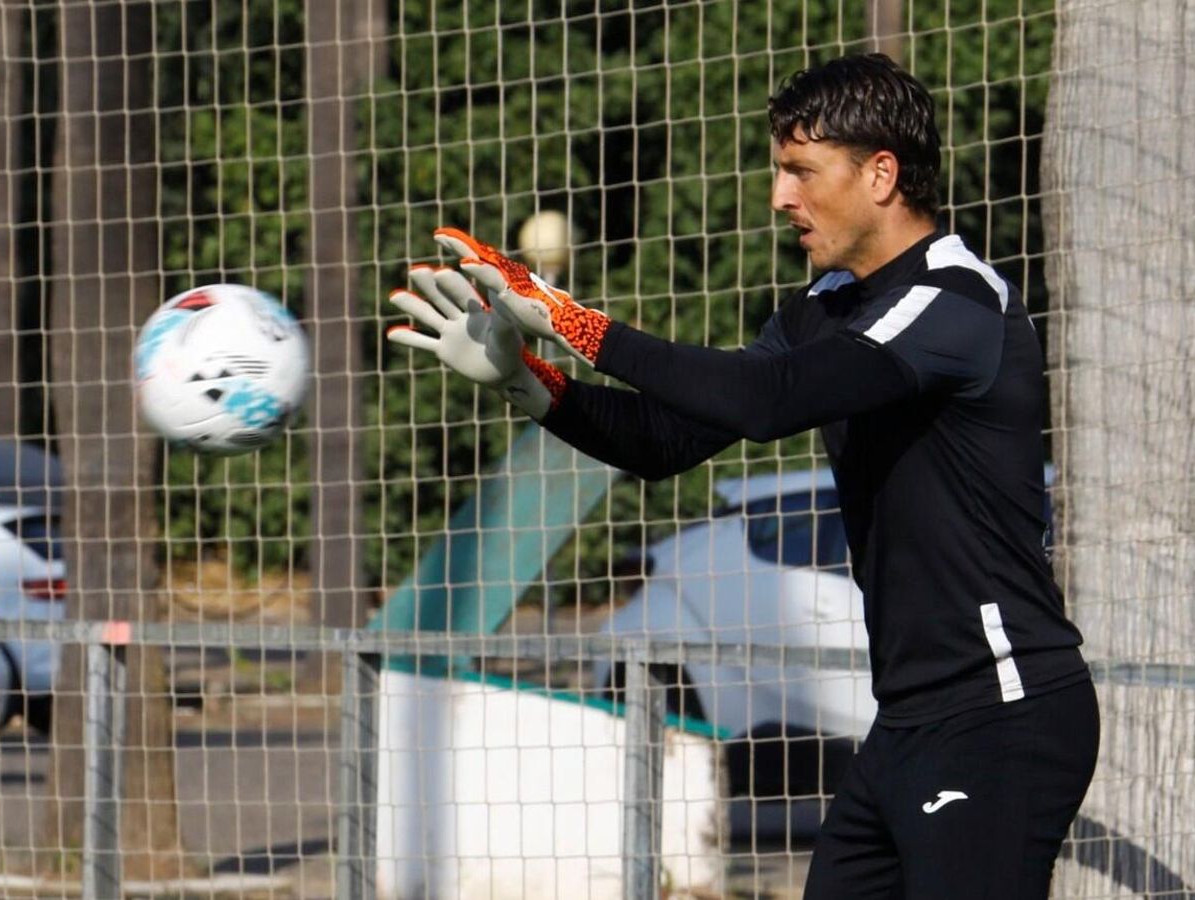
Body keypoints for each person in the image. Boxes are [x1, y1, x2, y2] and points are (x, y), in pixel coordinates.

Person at [387, 52, 1099, 899]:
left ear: (881, 175)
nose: (779, 196)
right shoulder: (824, 306)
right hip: (908, 721)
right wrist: (529, 383)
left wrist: (574, 321)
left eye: (801, 170)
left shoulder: (956, 301)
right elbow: (664, 441)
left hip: (1002, 713)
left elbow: (768, 401)